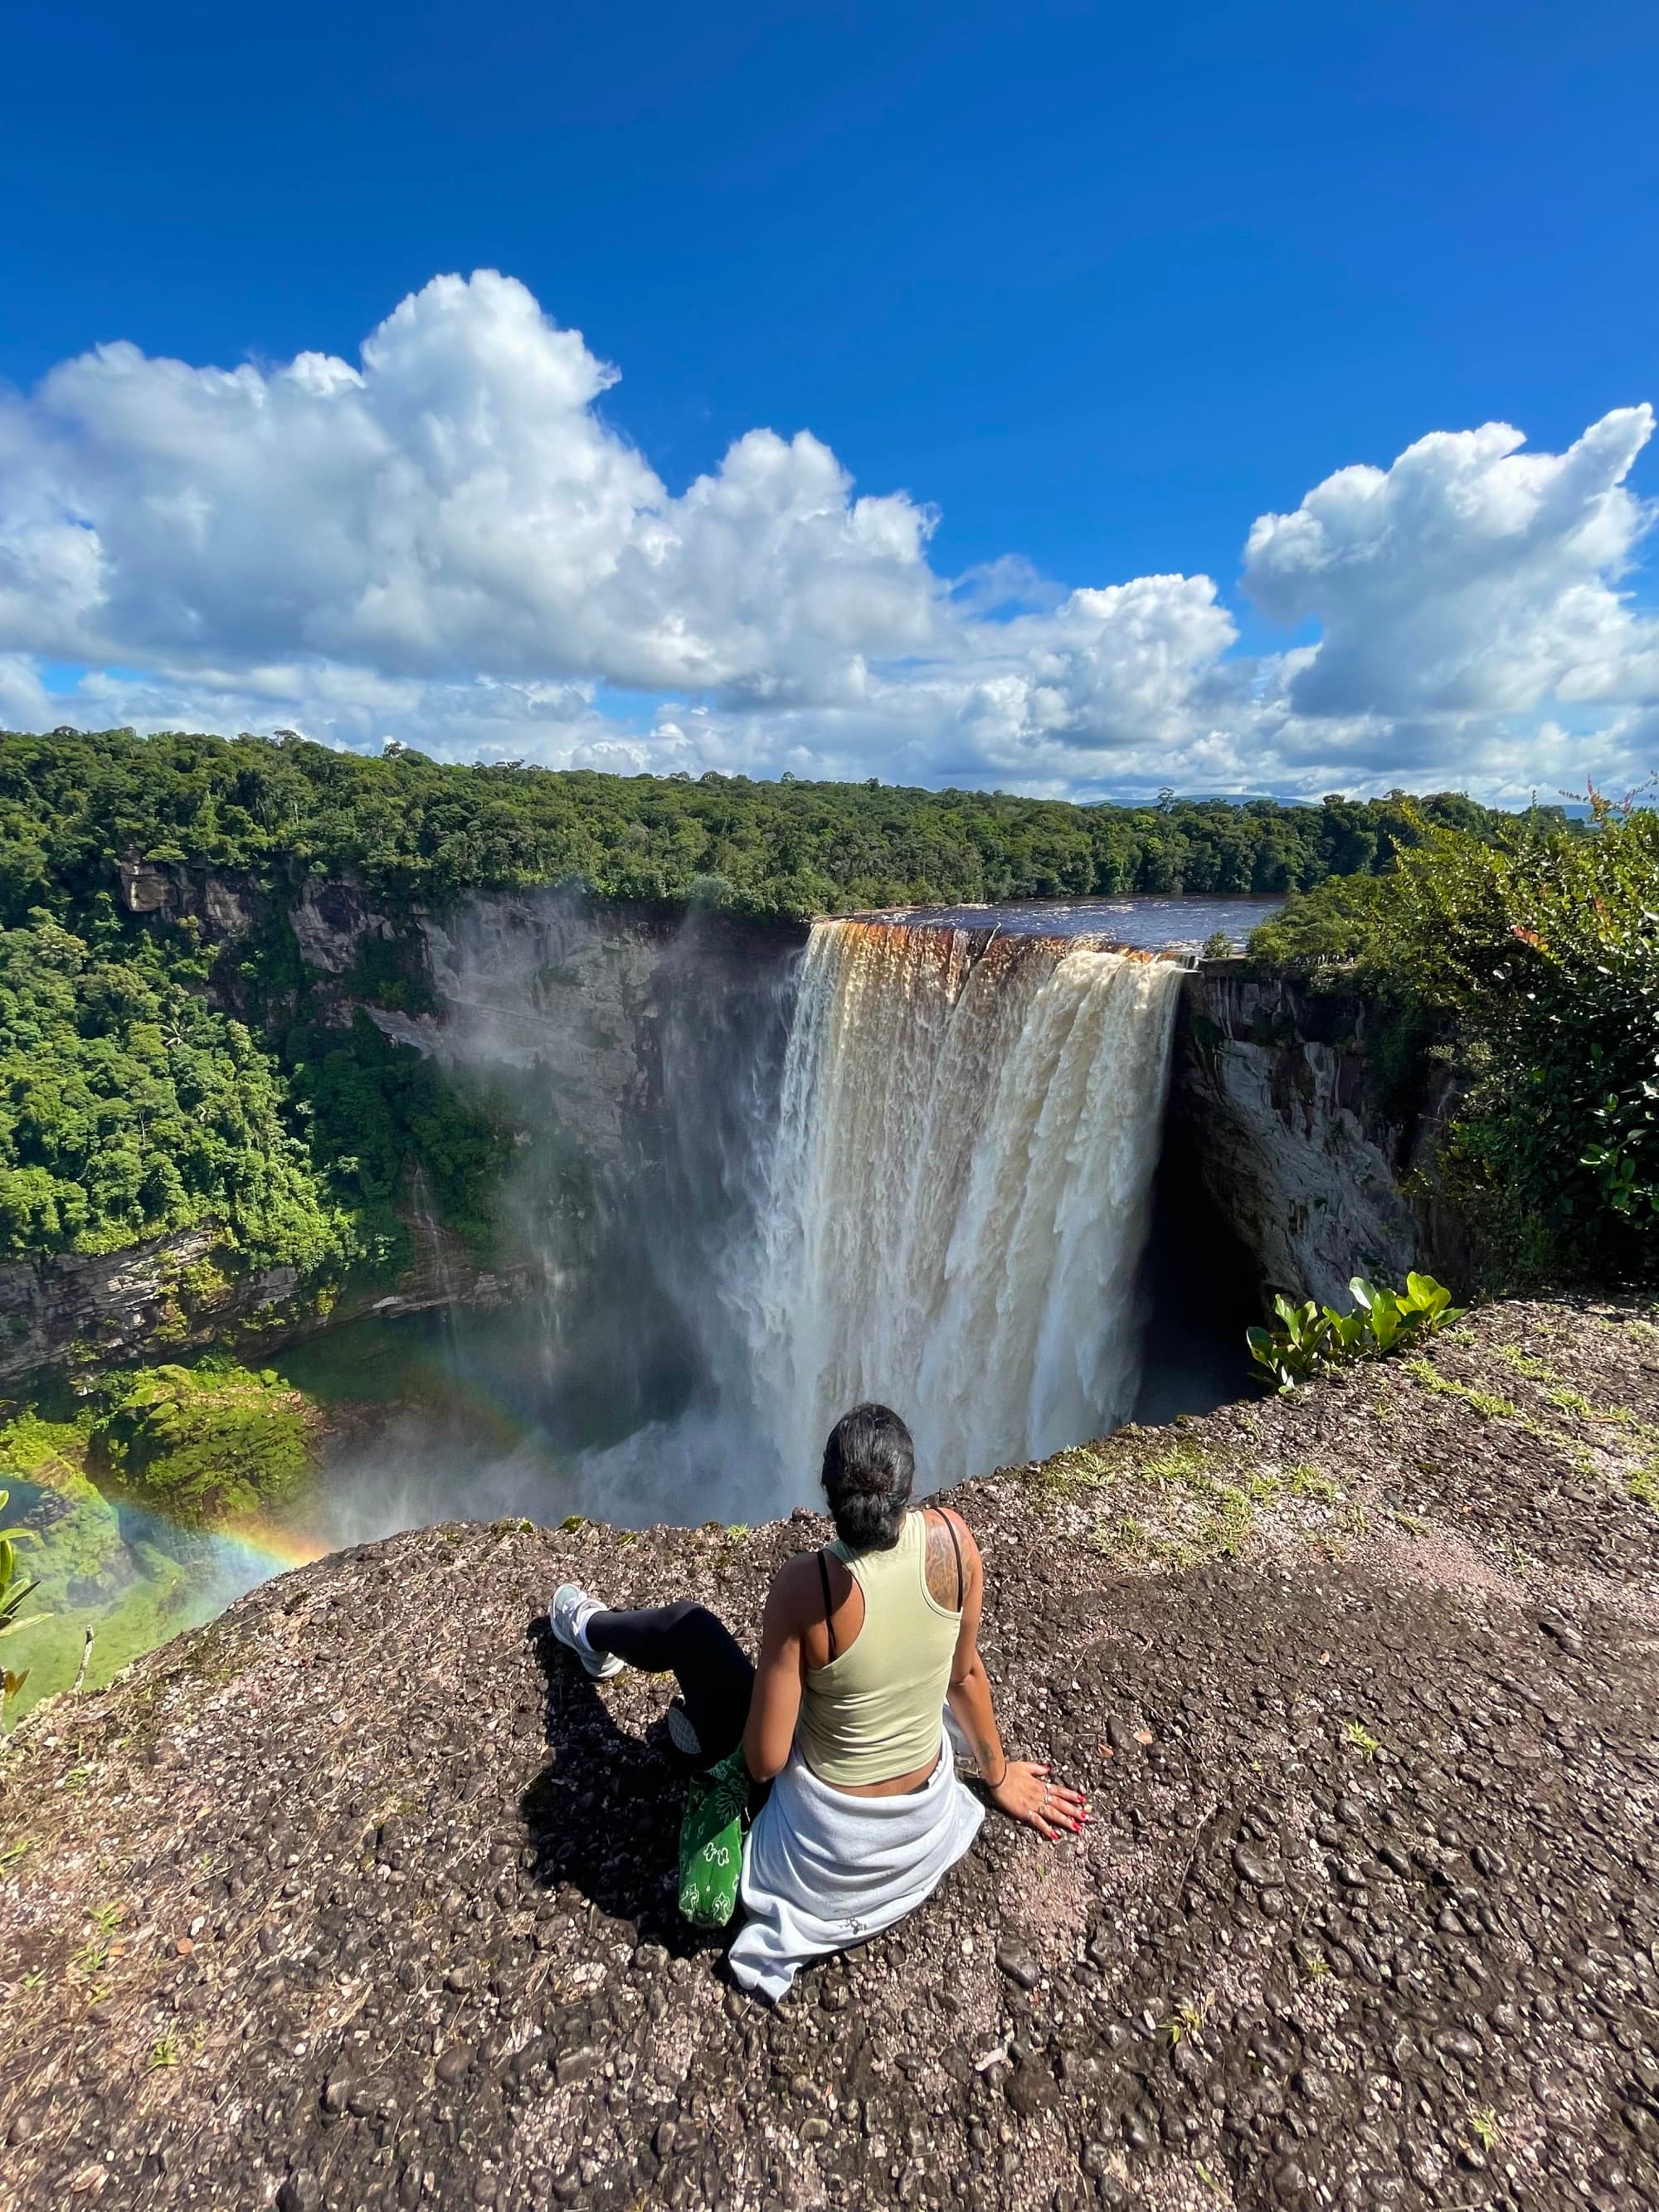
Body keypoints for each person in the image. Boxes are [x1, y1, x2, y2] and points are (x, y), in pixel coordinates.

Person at [547, 1403, 1087, 1999]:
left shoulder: (809, 1585)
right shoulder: (955, 1544)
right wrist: (999, 1771)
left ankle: (587, 1632)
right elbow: (963, 1677)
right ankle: (671, 1711)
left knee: (692, 1631)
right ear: (908, 1486)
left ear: (829, 1495)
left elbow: (765, 1761)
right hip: (919, 1837)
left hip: (830, 1860)